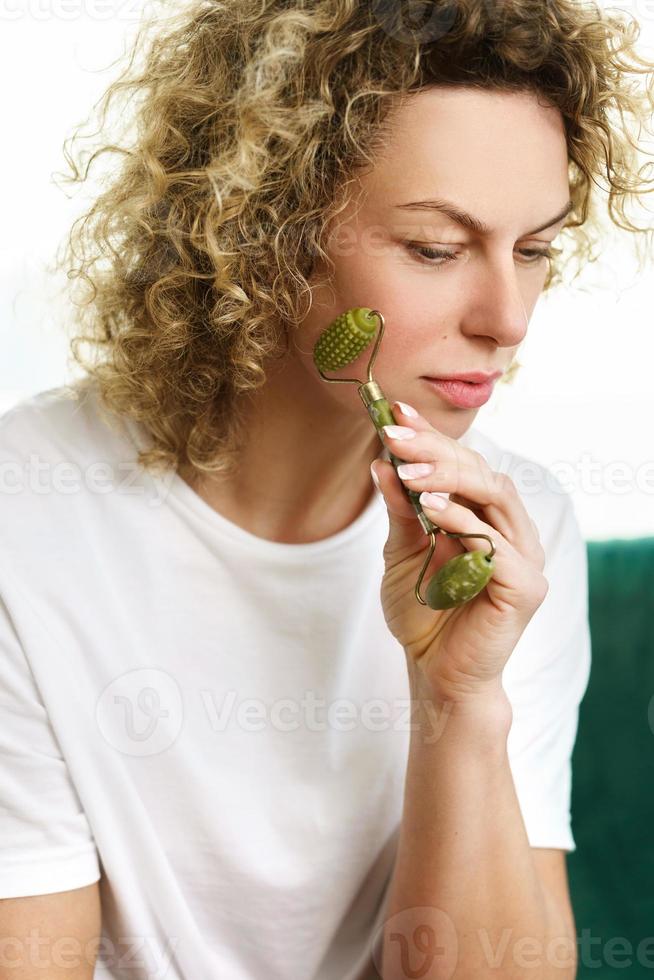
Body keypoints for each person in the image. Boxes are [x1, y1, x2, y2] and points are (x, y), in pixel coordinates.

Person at [1, 0, 652, 977]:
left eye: (534, 249)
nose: (507, 317)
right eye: (435, 248)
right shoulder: (29, 517)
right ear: (263, 230)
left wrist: (460, 697)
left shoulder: (508, 529)